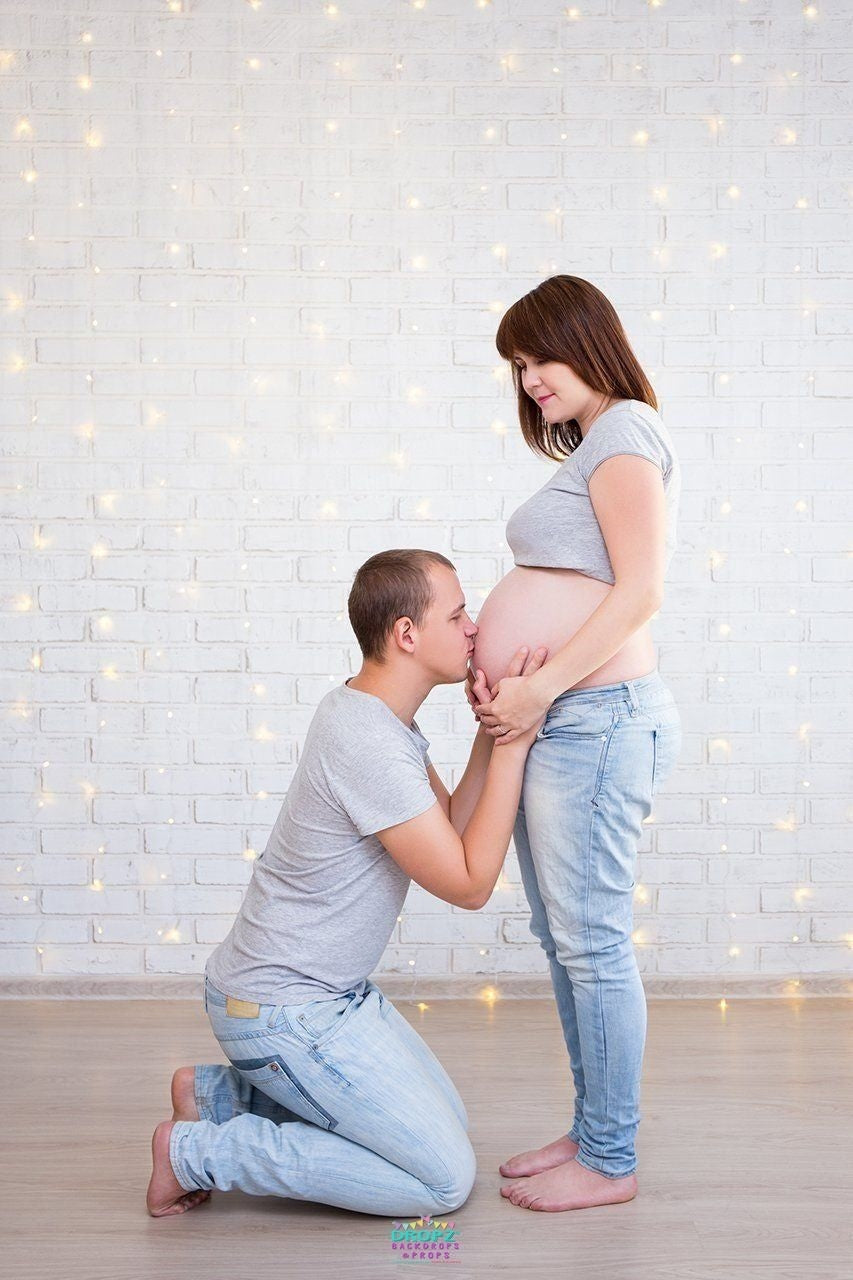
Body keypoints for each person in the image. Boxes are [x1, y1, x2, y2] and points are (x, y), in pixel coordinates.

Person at [146, 549, 549, 1218]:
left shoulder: (376, 718)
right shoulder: (365, 740)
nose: (473, 627)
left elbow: (448, 824)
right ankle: (193, 1154)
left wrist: (489, 731)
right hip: (282, 1010)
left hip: (327, 997)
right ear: (406, 634)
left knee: (445, 1123)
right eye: (457, 614)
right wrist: (514, 744)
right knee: (440, 1182)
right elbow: (471, 883)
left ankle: (215, 1099)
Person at [466, 274, 684, 1212]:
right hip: (562, 725)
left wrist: (541, 684)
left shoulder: (627, 429)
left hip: (594, 724)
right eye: (517, 368)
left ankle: (610, 1157)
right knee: (565, 943)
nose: (527, 381)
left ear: (582, 341)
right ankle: (592, 1129)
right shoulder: (594, 445)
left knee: (591, 944)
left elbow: (640, 590)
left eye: (537, 357)